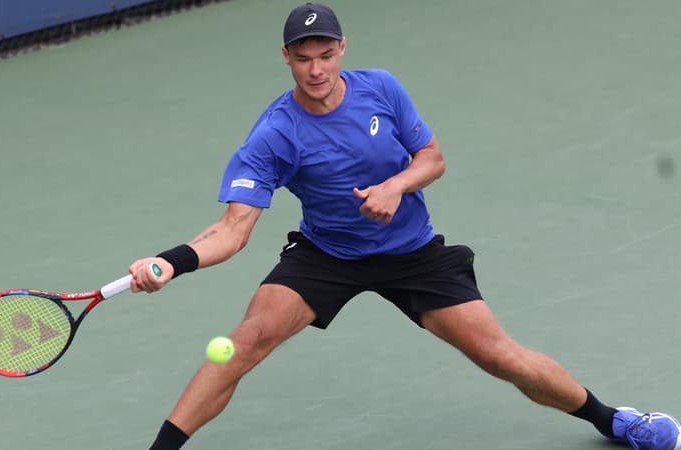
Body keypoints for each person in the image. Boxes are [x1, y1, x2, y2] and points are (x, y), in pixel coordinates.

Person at [128, 3, 681, 450]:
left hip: (412, 250)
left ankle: (614, 421)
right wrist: (169, 262)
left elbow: (432, 158)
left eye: (326, 55)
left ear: (342, 49)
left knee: (499, 356)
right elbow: (233, 228)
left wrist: (396, 186)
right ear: (287, 58)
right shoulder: (274, 135)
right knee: (244, 341)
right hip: (328, 254)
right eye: (304, 59)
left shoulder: (381, 90)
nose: (317, 70)